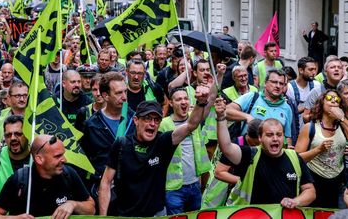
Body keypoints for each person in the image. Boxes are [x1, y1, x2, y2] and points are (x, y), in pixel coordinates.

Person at [98, 82, 215, 217]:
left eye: (157, 120)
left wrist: (201, 103)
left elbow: (190, 125)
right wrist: (103, 217)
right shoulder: (121, 144)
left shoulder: (163, 142)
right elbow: (106, 182)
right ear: (136, 120)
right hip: (127, 215)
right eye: (147, 118)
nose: (152, 124)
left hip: (157, 214)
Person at [214, 97, 316, 206]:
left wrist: (296, 201)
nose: (275, 139)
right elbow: (226, 147)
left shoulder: (295, 157)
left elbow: (310, 191)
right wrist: (221, 118)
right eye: (269, 135)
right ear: (260, 138)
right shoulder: (249, 155)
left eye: (279, 135)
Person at [0, 134, 95, 217]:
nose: (64, 160)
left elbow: (91, 208)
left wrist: (73, 205)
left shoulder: (69, 174)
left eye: (63, 154)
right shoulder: (20, 180)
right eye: (58, 156)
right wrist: (14, 218)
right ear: (39, 159)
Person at [295, 89, 348, 208]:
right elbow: (296, 159)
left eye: (337, 100)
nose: (333, 102)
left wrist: (342, 119)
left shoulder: (342, 126)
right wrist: (318, 150)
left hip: (338, 181)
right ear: (321, 103)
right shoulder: (310, 128)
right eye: (329, 99)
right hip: (315, 180)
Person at [80, 72, 135, 202]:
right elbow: (86, 158)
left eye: (125, 92)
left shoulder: (134, 119)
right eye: (118, 93)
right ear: (105, 96)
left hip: (131, 188)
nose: (124, 97)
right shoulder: (92, 125)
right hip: (105, 191)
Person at [159, 87, 212, 215]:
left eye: (186, 98)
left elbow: (210, 100)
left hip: (195, 185)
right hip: (173, 189)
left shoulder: (195, 120)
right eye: (178, 99)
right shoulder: (163, 124)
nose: (183, 102)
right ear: (171, 103)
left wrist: (219, 76)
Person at [226, 69, 293, 145]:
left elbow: (287, 137)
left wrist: (288, 149)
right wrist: (247, 117)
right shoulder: (252, 97)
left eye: (281, 84)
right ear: (265, 83)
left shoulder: (287, 108)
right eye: (274, 82)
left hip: (270, 154)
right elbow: (226, 111)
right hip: (247, 150)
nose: (278, 86)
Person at [0, 81, 28, 154]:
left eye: (25, 95)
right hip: (4, 162)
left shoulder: (36, 117)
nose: (22, 99)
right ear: (9, 97)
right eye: (17, 96)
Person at [302, 55, 344, 122]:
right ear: (325, 72)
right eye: (332, 67)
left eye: (339, 67)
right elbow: (305, 117)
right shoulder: (316, 92)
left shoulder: (344, 91)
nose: (336, 69)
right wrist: (322, 114)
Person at [286, 57, 320, 133]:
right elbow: (288, 112)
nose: (314, 72)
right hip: (295, 130)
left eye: (315, 69)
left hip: (312, 130)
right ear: (301, 70)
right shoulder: (289, 87)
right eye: (310, 69)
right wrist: (306, 106)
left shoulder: (317, 86)